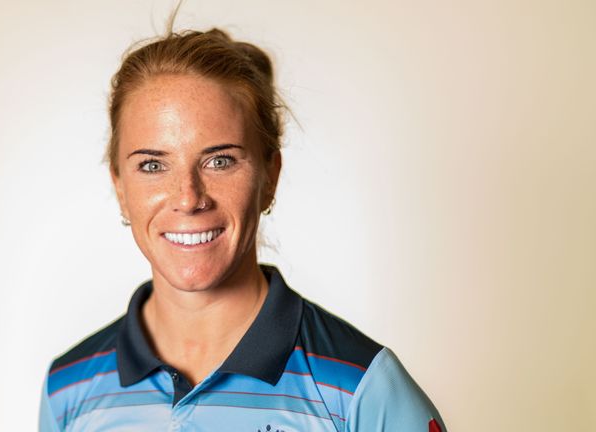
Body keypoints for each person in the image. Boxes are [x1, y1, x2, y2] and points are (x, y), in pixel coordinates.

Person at [39, 27, 446, 432]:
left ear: (270, 176)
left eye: (220, 161)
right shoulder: (68, 390)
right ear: (120, 187)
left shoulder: (360, 387)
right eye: (152, 165)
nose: (188, 197)